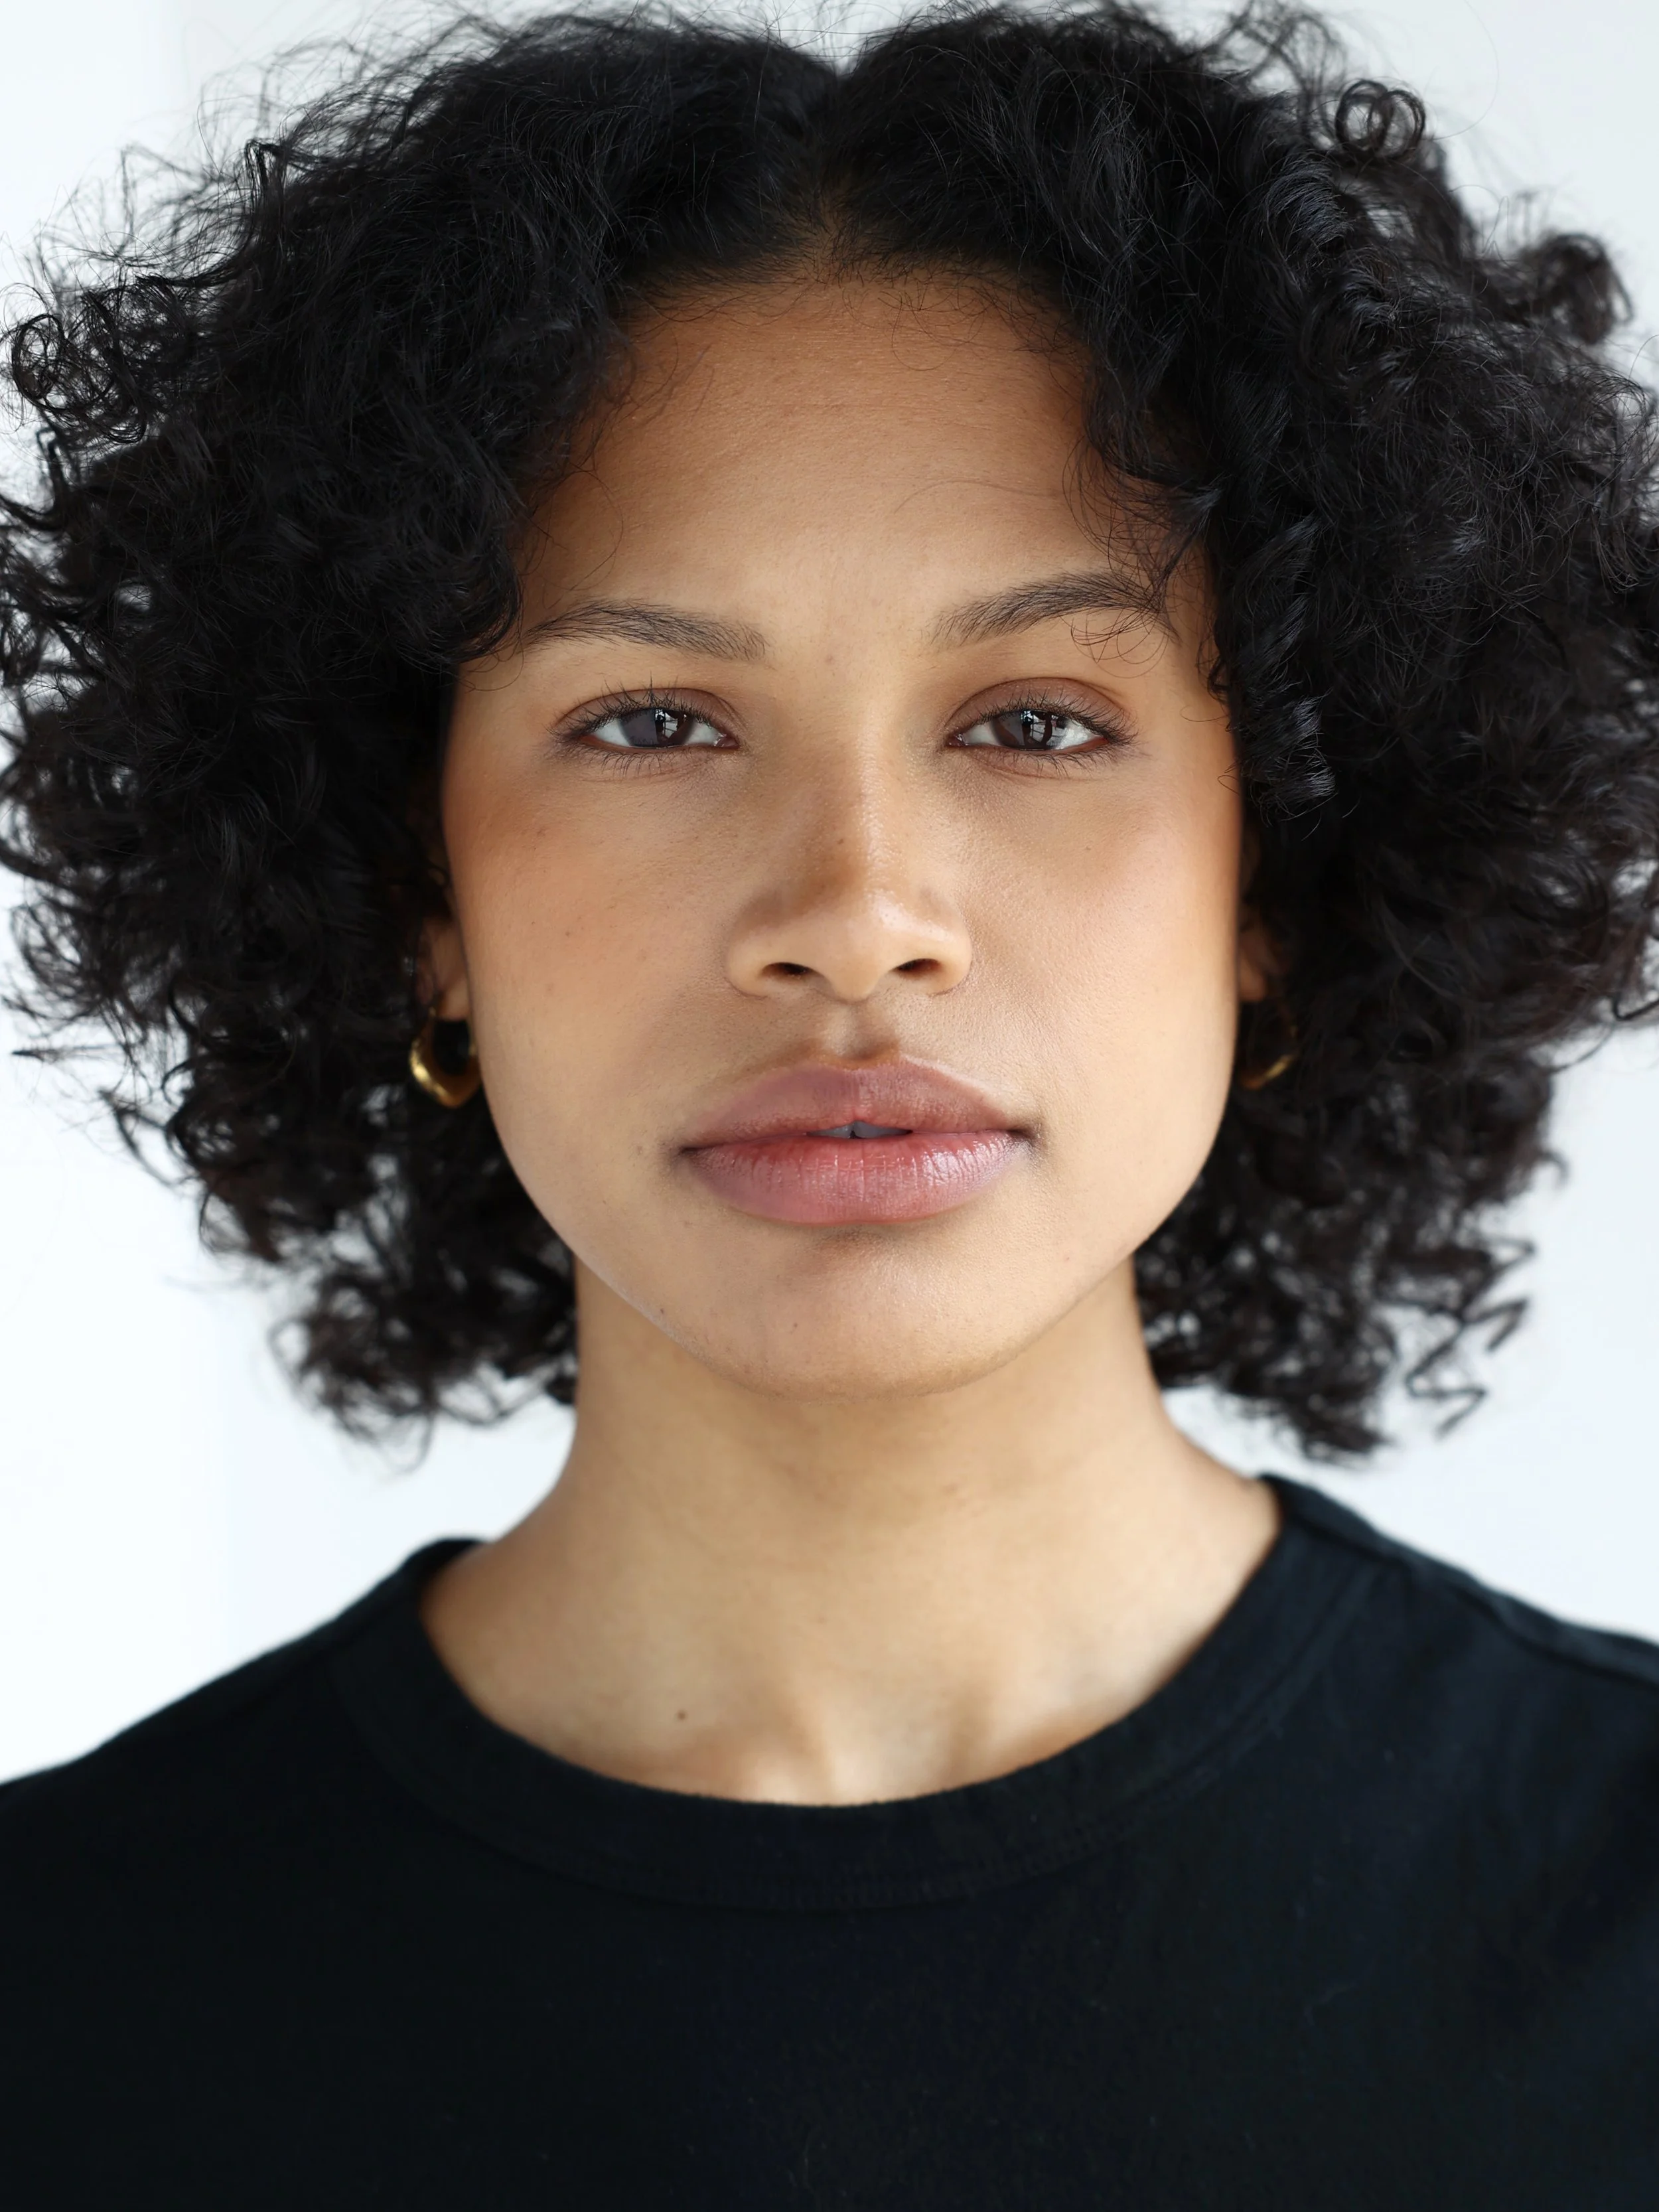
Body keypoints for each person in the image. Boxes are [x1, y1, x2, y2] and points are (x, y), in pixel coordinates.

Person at [3, 3, 1658, 2202]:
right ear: (419, 889)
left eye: (1037, 721)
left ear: (1272, 870)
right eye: (652, 721)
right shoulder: (57, 2003)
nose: (857, 916)